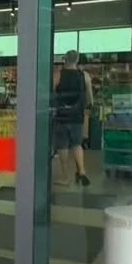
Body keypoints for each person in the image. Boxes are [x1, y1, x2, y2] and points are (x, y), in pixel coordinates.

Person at [53, 49, 91, 186]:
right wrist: (87, 108)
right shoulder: (84, 75)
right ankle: (82, 171)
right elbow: (89, 97)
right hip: (77, 115)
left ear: (65, 59)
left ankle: (65, 178)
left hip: (61, 116)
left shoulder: (58, 75)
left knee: (62, 146)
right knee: (77, 144)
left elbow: (52, 94)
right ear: (77, 60)